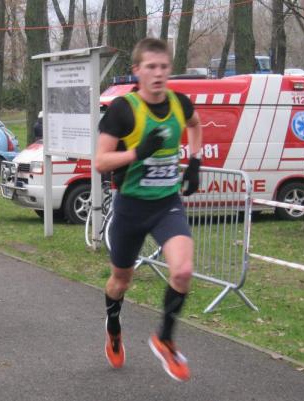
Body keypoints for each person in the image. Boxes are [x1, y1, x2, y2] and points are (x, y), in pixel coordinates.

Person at [95, 38, 203, 381]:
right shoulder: (123, 110)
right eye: (151, 67)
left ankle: (165, 339)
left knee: (183, 271)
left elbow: (195, 124)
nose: (158, 74)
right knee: (121, 280)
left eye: (164, 67)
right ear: (137, 70)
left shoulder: (179, 103)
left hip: (166, 204)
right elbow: (100, 161)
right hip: (130, 208)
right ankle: (114, 326)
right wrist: (137, 153)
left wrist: (195, 161)